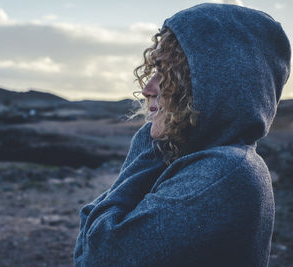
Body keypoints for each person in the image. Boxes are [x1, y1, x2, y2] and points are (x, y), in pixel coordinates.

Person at [74, 3, 291, 267]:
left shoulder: (222, 172)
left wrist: (152, 143)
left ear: (214, 87)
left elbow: (99, 253)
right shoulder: (225, 162)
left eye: (168, 75)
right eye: (153, 71)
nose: (148, 88)